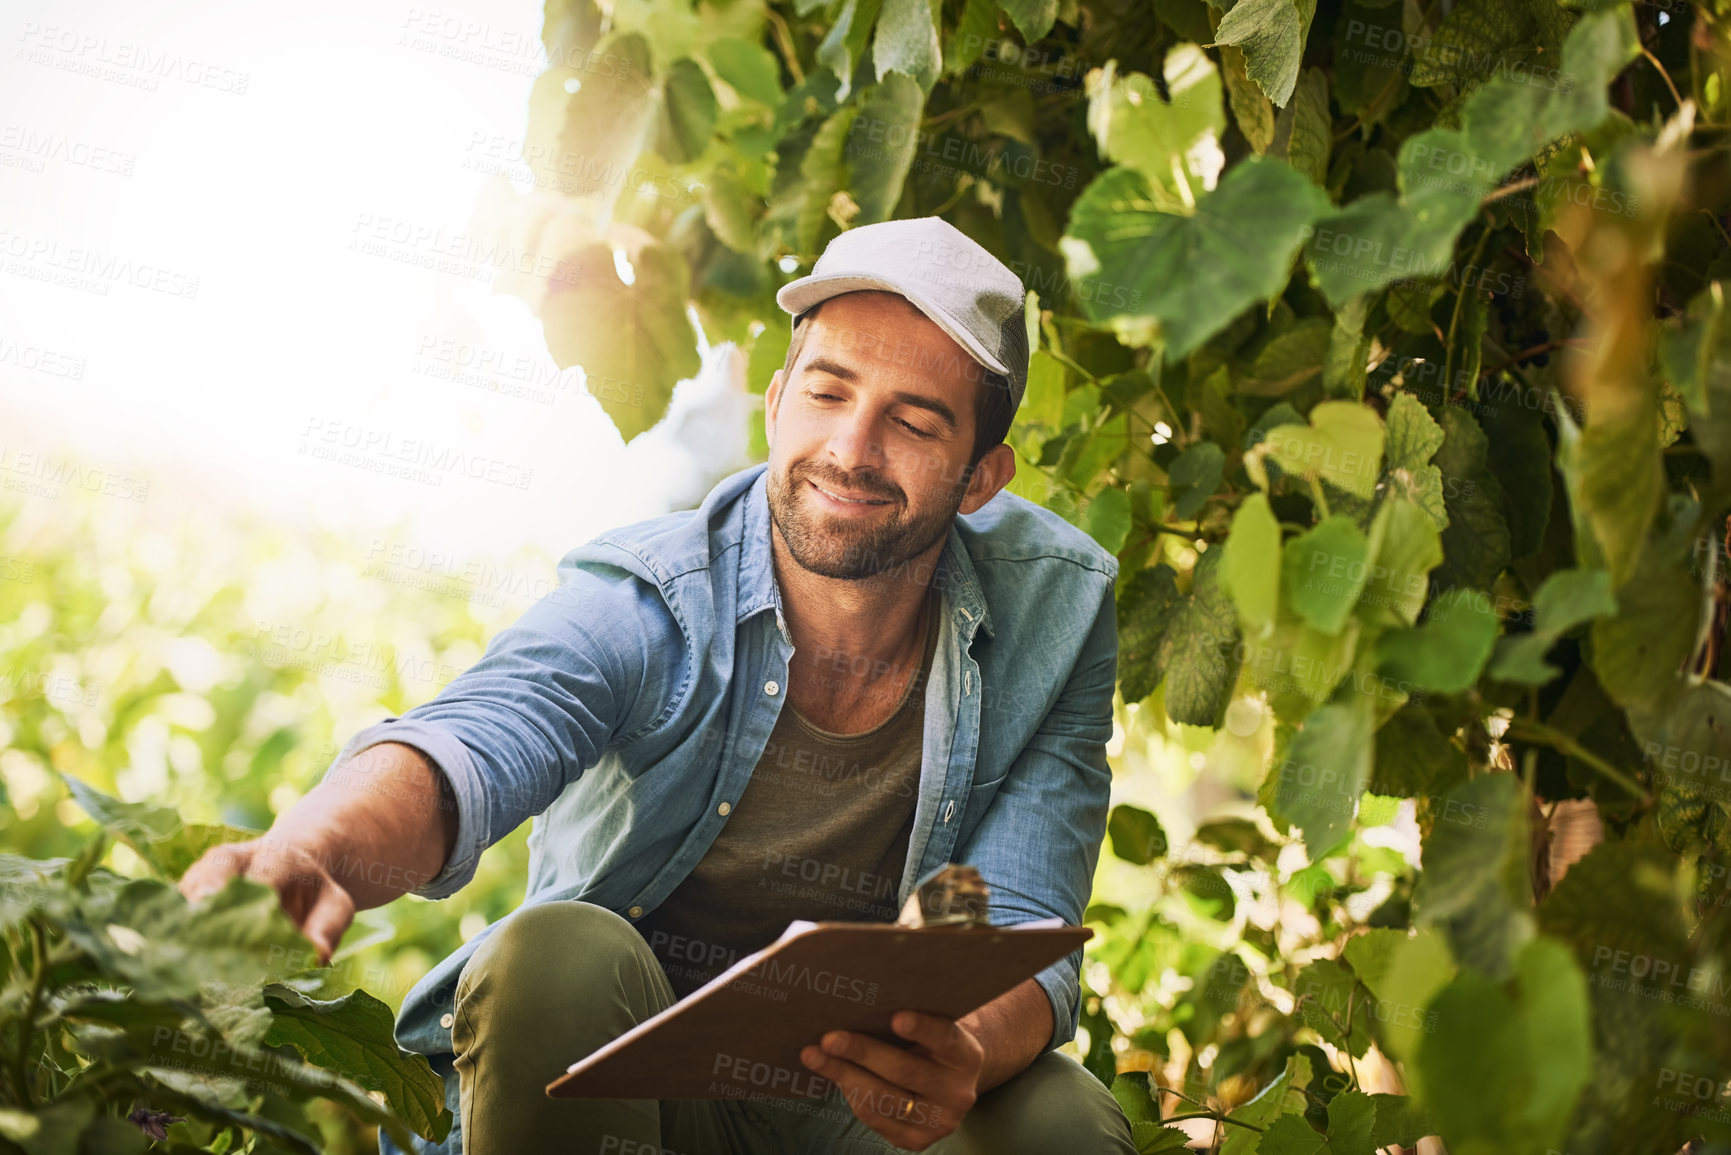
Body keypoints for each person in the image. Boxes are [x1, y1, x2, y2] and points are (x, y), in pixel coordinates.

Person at [181, 217, 1136, 1154]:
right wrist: (315, 846)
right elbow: (477, 737)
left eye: (913, 422)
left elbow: (1020, 928)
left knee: (1059, 1115)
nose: (850, 448)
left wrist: (962, 1049)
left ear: (980, 477)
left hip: (857, 1109)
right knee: (558, 952)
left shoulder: (1058, 607)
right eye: (827, 393)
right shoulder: (658, 594)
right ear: (774, 404)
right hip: (625, 1089)